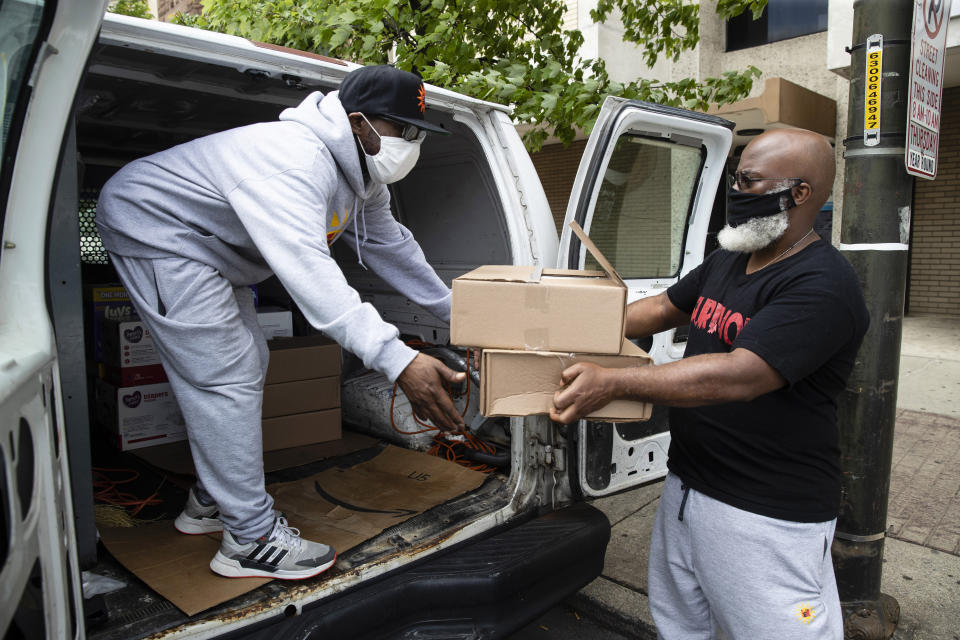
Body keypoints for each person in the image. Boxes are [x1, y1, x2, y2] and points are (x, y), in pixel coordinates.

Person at [96, 65, 467, 580]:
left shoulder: (360, 177)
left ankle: (212, 498)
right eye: (404, 130)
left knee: (247, 364)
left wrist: (459, 315)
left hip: (213, 247)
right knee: (224, 375)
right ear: (359, 124)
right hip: (159, 229)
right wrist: (397, 358)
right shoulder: (295, 161)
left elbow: (392, 247)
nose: (413, 142)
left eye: (419, 132)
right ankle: (248, 540)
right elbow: (312, 277)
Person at [550, 128, 869, 639]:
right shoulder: (732, 257)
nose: (735, 191)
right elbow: (661, 309)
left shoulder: (823, 284)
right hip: (689, 484)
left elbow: (741, 374)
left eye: (748, 180)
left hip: (765, 510)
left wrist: (615, 383)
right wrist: (566, 330)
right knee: (684, 624)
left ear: (800, 193)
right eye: (735, 178)